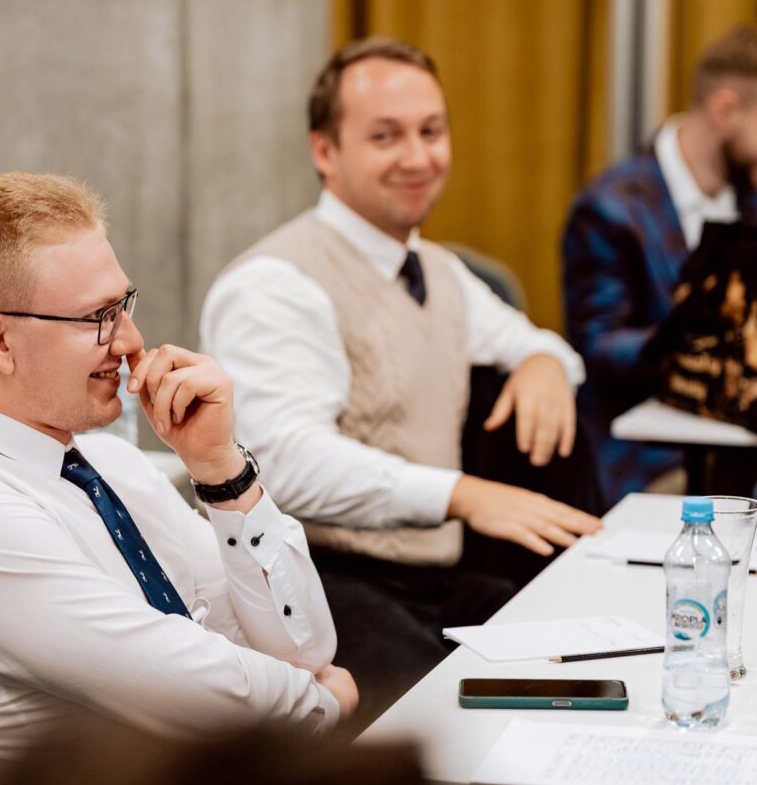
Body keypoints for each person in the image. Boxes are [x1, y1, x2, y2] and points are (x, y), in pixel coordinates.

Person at [0, 171, 357, 781]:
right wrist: (326, 708)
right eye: (97, 317)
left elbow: (306, 647)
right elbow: (212, 702)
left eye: (123, 304)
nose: (130, 340)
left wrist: (220, 471)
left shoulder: (110, 463)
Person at [200, 37, 602, 723]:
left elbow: (544, 346)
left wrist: (542, 364)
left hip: (436, 577)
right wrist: (463, 494)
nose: (418, 157)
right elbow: (284, 463)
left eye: (431, 131)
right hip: (325, 589)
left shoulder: (440, 269)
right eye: (386, 136)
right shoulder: (275, 284)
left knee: (588, 671)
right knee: (450, 735)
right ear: (325, 152)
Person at [562, 25, 757, 507]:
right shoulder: (611, 210)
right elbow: (596, 350)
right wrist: (699, 339)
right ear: (725, 110)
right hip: (652, 456)